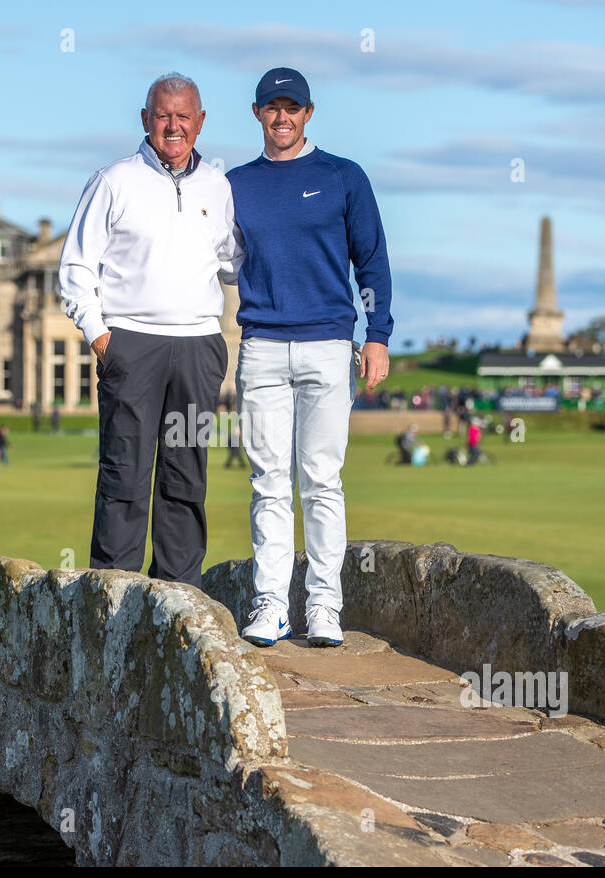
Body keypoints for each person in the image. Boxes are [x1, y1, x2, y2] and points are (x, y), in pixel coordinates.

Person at [228, 67, 392, 648]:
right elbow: (217, 257)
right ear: (257, 114)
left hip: (327, 344)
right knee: (268, 481)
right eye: (272, 108)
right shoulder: (235, 184)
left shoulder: (344, 177)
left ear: (308, 112)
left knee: (322, 480)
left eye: (291, 107)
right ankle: (271, 602)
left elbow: (371, 261)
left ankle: (324, 604)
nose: (282, 117)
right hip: (262, 347)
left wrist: (379, 334)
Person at [59, 72, 240, 590]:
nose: (173, 126)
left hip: (199, 347)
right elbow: (75, 267)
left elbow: (234, 263)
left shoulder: (218, 186)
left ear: (200, 122)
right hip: (132, 346)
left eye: (184, 116)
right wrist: (100, 335)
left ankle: (179, 597)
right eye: (163, 115)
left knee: (186, 476)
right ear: (145, 119)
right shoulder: (113, 181)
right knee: (125, 474)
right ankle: (114, 601)